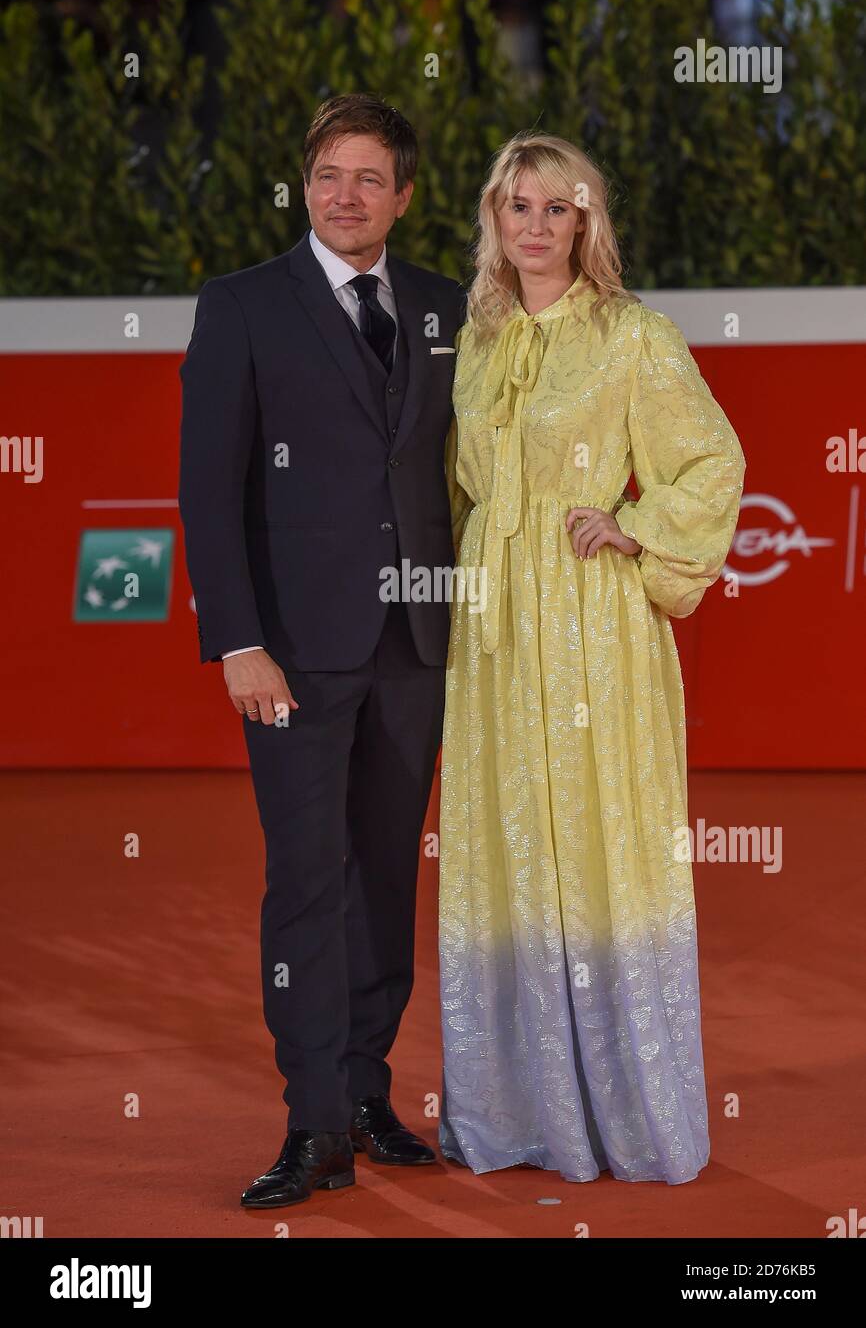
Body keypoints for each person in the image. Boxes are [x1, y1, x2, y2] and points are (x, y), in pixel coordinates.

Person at [438, 132, 746, 1184]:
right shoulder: (470, 340)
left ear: (584, 221)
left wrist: (634, 525)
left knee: (598, 843)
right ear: (493, 218)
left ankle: (624, 1116)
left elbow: (711, 457)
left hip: (589, 630)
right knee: (506, 844)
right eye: (513, 207)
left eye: (554, 208)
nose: (533, 226)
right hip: (489, 633)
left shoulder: (632, 335)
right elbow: (453, 492)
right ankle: (518, 1113)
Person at [178, 94, 465, 1207]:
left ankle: (362, 1093)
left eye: (368, 180)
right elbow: (210, 488)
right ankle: (310, 1127)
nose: (344, 197)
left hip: (416, 641)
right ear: (306, 186)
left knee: (386, 876)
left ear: (402, 195)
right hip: (292, 651)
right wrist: (237, 641)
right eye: (327, 177)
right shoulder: (243, 304)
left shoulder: (444, 307)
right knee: (306, 884)